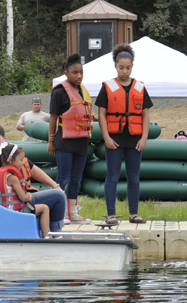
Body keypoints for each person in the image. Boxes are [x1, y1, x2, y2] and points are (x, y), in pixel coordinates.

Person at [95, 43, 153, 227]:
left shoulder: (140, 87)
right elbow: (101, 114)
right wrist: (106, 138)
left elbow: (145, 114)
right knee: (112, 176)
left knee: (133, 177)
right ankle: (111, 215)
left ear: (132, 66)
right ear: (115, 66)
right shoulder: (108, 86)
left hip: (135, 140)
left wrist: (144, 138)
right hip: (114, 139)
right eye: (121, 68)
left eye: (128, 68)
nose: (125, 71)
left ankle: (134, 214)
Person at [0, 123, 67, 232]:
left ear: (5, 138)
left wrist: (54, 185)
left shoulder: (11, 152)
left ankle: (50, 234)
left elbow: (32, 169)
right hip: (15, 204)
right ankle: (56, 235)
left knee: (57, 192)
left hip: (20, 199)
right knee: (59, 196)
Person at [48, 54, 93, 225]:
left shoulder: (83, 91)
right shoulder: (59, 92)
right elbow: (53, 118)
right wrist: (51, 142)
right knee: (63, 178)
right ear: (66, 73)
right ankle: (57, 213)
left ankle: (73, 213)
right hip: (64, 142)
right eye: (75, 72)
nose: (79, 76)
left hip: (81, 142)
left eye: (81, 72)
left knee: (76, 179)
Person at [0, 144, 52, 238]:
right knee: (44, 208)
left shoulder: (1, 174)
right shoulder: (13, 178)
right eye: (20, 160)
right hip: (15, 211)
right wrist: (29, 196)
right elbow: (23, 198)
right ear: (11, 160)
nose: (23, 163)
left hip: (4, 210)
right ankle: (47, 237)